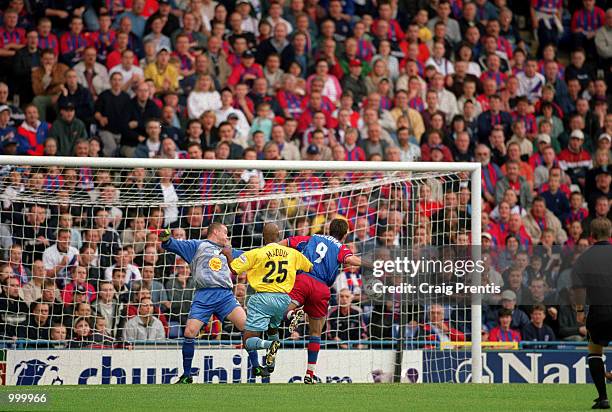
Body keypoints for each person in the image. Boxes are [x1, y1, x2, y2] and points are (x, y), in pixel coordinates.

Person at [159, 222, 246, 384]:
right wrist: (165, 238)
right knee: (189, 332)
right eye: (225, 232)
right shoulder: (196, 246)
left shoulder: (229, 251)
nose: (228, 236)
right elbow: (171, 244)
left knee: (247, 327)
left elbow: (252, 257)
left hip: (225, 295)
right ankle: (186, 375)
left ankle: (256, 366)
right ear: (216, 231)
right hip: (203, 295)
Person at [279, 218, 363, 384]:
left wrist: (270, 249)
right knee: (316, 333)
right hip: (322, 288)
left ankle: (290, 314)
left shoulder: (313, 238)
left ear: (329, 229)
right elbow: (351, 260)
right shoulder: (341, 247)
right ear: (345, 235)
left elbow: (287, 242)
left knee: (284, 308)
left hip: (304, 279)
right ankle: (309, 374)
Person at [228, 223, 312, 377]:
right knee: (273, 329)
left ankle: (269, 344)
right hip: (285, 300)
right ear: (279, 235)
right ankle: (270, 363)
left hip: (262, 299)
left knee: (248, 341)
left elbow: (233, 269)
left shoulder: (257, 253)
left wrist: (228, 253)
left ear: (263, 237)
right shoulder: (292, 254)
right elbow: (310, 268)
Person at [572, 218, 612, 409]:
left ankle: (603, 398)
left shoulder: (584, 258)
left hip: (598, 313)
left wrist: (580, 311)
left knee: (595, 351)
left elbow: (578, 290)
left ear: (591, 236)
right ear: (610, 234)